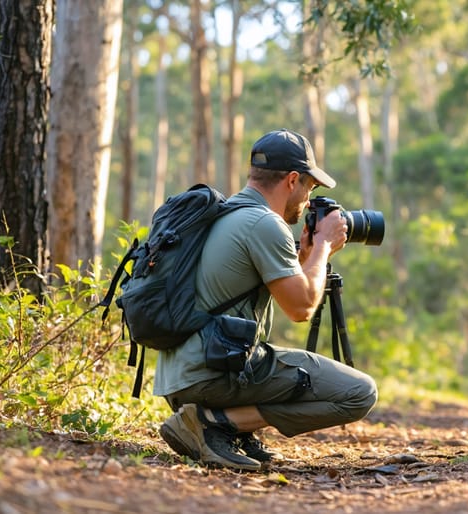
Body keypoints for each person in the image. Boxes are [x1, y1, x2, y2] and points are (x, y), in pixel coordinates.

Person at [155, 128, 378, 471]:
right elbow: (301, 308)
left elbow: (274, 290)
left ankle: (227, 427)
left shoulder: (230, 213)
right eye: (310, 188)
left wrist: (305, 258)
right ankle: (214, 423)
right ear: (292, 180)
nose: (308, 202)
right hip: (209, 374)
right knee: (360, 392)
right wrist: (322, 247)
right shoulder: (264, 224)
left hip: (181, 376)